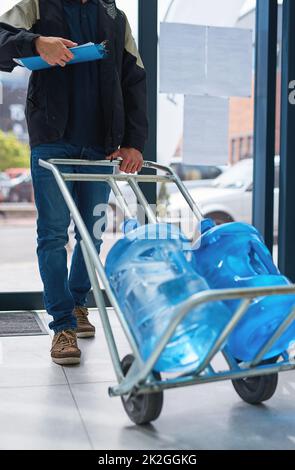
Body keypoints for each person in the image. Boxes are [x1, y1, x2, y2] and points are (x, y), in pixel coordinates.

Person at [0, 0, 148, 365]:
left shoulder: (115, 17)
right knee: (52, 233)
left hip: (100, 143)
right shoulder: (36, 5)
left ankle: (78, 303)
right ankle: (62, 325)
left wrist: (133, 141)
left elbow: (134, 79)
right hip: (53, 137)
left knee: (92, 232)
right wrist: (36, 43)